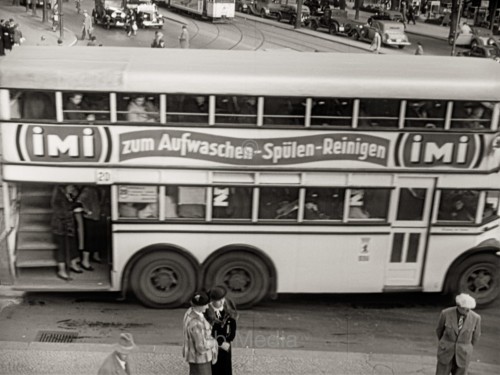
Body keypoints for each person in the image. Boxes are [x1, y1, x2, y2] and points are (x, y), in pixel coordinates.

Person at [435, 293, 481, 375]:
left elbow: (476, 336)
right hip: (446, 351)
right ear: (458, 306)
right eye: (464, 309)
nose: (467, 311)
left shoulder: (476, 318)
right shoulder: (446, 313)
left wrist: (466, 347)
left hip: (463, 353)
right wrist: (445, 343)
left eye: (469, 309)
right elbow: (439, 330)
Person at [51, 185, 85, 281]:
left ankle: (73, 264)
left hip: (69, 226)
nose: (73, 188)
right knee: (62, 248)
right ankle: (61, 270)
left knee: (72, 245)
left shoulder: (67, 195)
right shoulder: (58, 197)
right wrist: (73, 208)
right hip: (61, 227)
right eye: (71, 186)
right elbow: (60, 212)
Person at [183, 291, 218, 375]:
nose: (207, 307)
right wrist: (214, 343)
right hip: (200, 359)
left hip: (193, 356)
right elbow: (201, 347)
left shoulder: (189, 312)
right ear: (199, 306)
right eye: (205, 305)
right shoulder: (197, 323)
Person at [205, 286, 238, 375]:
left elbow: (233, 327)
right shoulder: (207, 312)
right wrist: (219, 343)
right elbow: (207, 331)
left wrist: (228, 340)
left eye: (222, 299)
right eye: (219, 300)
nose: (222, 301)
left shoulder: (227, 309)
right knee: (214, 366)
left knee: (226, 366)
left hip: (226, 343)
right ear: (212, 301)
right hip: (213, 344)